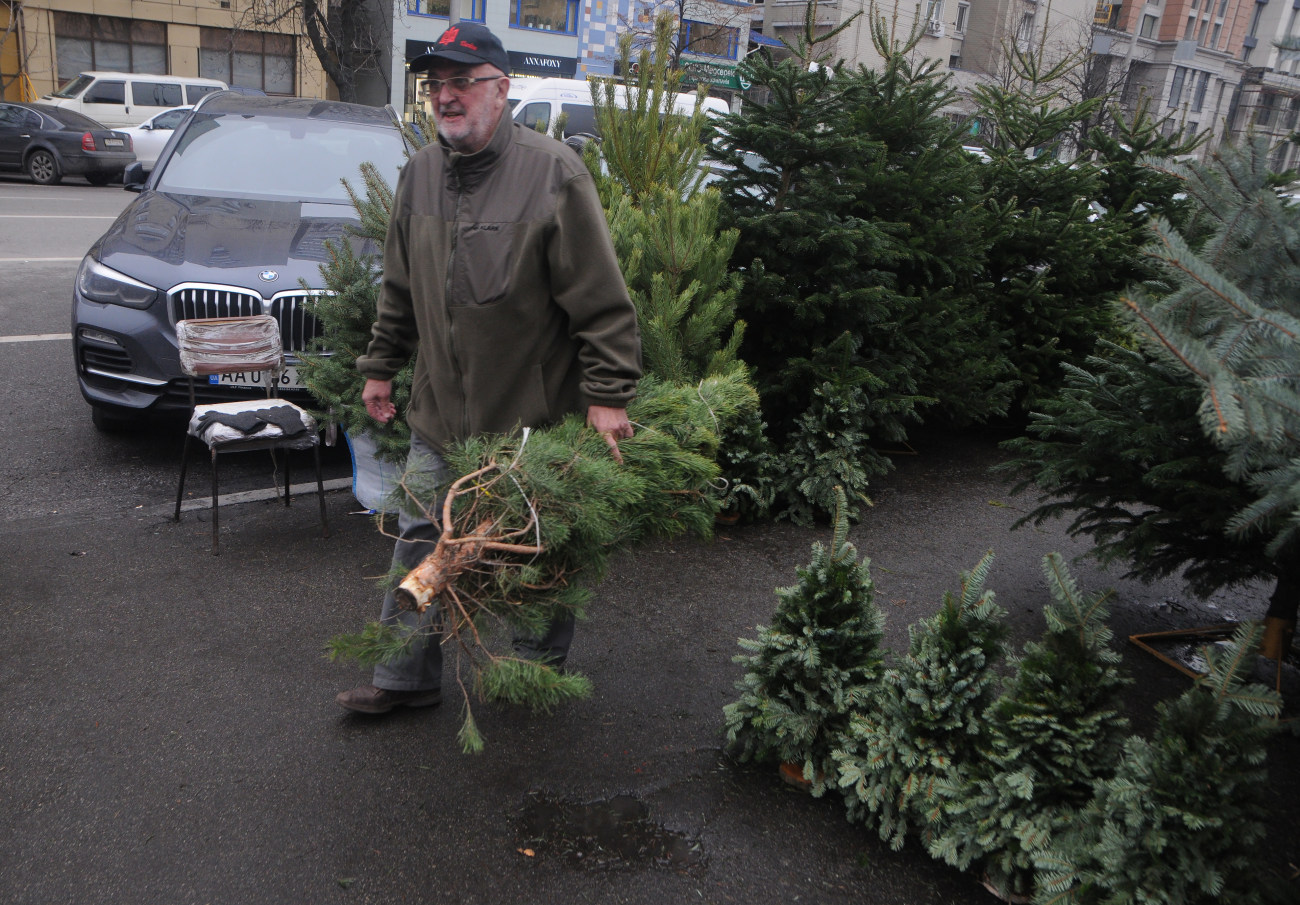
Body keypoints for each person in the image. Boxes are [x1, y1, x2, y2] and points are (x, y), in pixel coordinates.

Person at [336, 22, 642, 715]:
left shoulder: (552, 173)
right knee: (418, 540)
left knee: (534, 552)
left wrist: (608, 394)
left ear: (501, 91)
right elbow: (400, 289)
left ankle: (534, 680)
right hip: (439, 413)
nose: (446, 96)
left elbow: (601, 300)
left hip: (528, 422)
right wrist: (381, 366)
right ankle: (402, 678)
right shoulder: (420, 175)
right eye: (436, 84)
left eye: (462, 82)